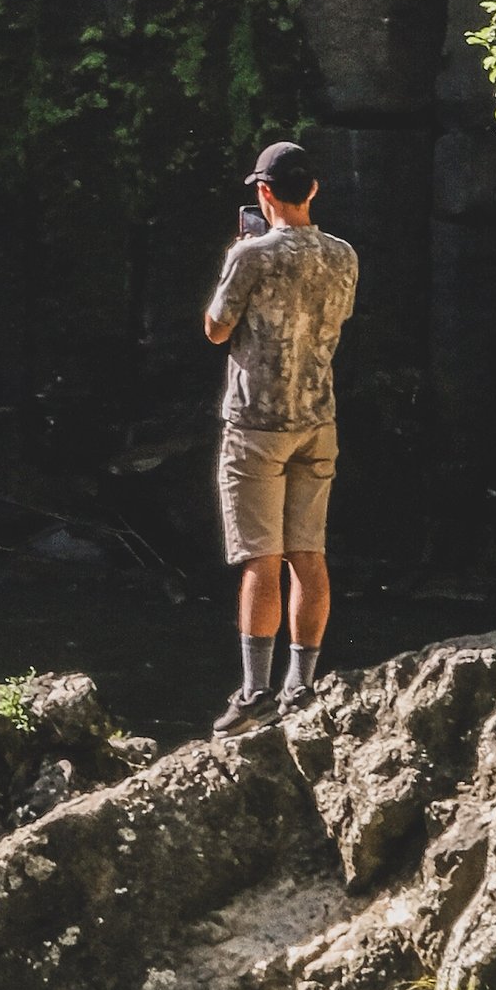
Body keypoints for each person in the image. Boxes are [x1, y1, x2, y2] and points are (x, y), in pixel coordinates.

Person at [203, 138, 359, 731]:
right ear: (313, 190)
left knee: (260, 560)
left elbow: (216, 329)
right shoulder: (344, 256)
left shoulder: (252, 256)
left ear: (264, 193)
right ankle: (302, 686)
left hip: (256, 425)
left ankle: (254, 693)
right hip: (317, 420)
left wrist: (235, 258)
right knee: (308, 555)